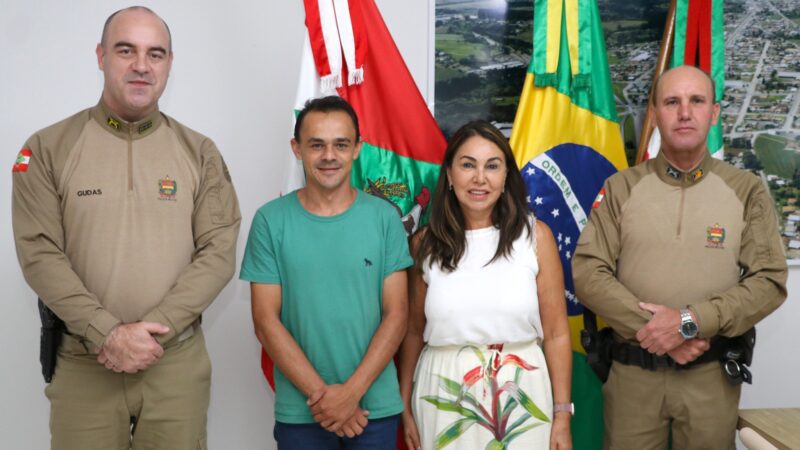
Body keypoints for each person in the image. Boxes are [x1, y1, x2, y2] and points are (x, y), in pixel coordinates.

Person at [11, 6, 241, 449]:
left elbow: (219, 251)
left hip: (174, 365)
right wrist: (108, 333)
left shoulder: (200, 152)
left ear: (170, 63)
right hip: (84, 364)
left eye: (155, 54)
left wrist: (151, 332)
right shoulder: (45, 148)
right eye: (125, 50)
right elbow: (39, 254)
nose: (141, 65)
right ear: (100, 56)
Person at [572, 65, 788, 449]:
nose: (684, 112)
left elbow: (768, 281)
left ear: (714, 112)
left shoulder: (746, 189)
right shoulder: (620, 188)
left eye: (696, 101)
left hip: (709, 380)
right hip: (632, 380)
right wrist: (659, 331)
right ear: (654, 113)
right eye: (672, 102)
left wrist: (689, 322)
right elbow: (588, 272)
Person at [241, 95, 411, 449]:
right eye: (316, 145)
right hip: (303, 410)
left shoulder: (385, 218)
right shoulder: (270, 221)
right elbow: (265, 321)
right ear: (297, 148)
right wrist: (326, 398)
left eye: (340, 144)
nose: (329, 156)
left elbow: (397, 314)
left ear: (357, 148)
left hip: (373, 408)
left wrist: (351, 395)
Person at [398, 120, 573, 450]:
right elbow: (411, 331)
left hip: (521, 392)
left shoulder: (535, 237)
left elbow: (557, 333)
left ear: (506, 176)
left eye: (492, 166)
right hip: (443, 394)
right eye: (467, 165)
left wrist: (562, 414)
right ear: (449, 174)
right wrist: (404, 406)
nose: (480, 178)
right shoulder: (423, 244)